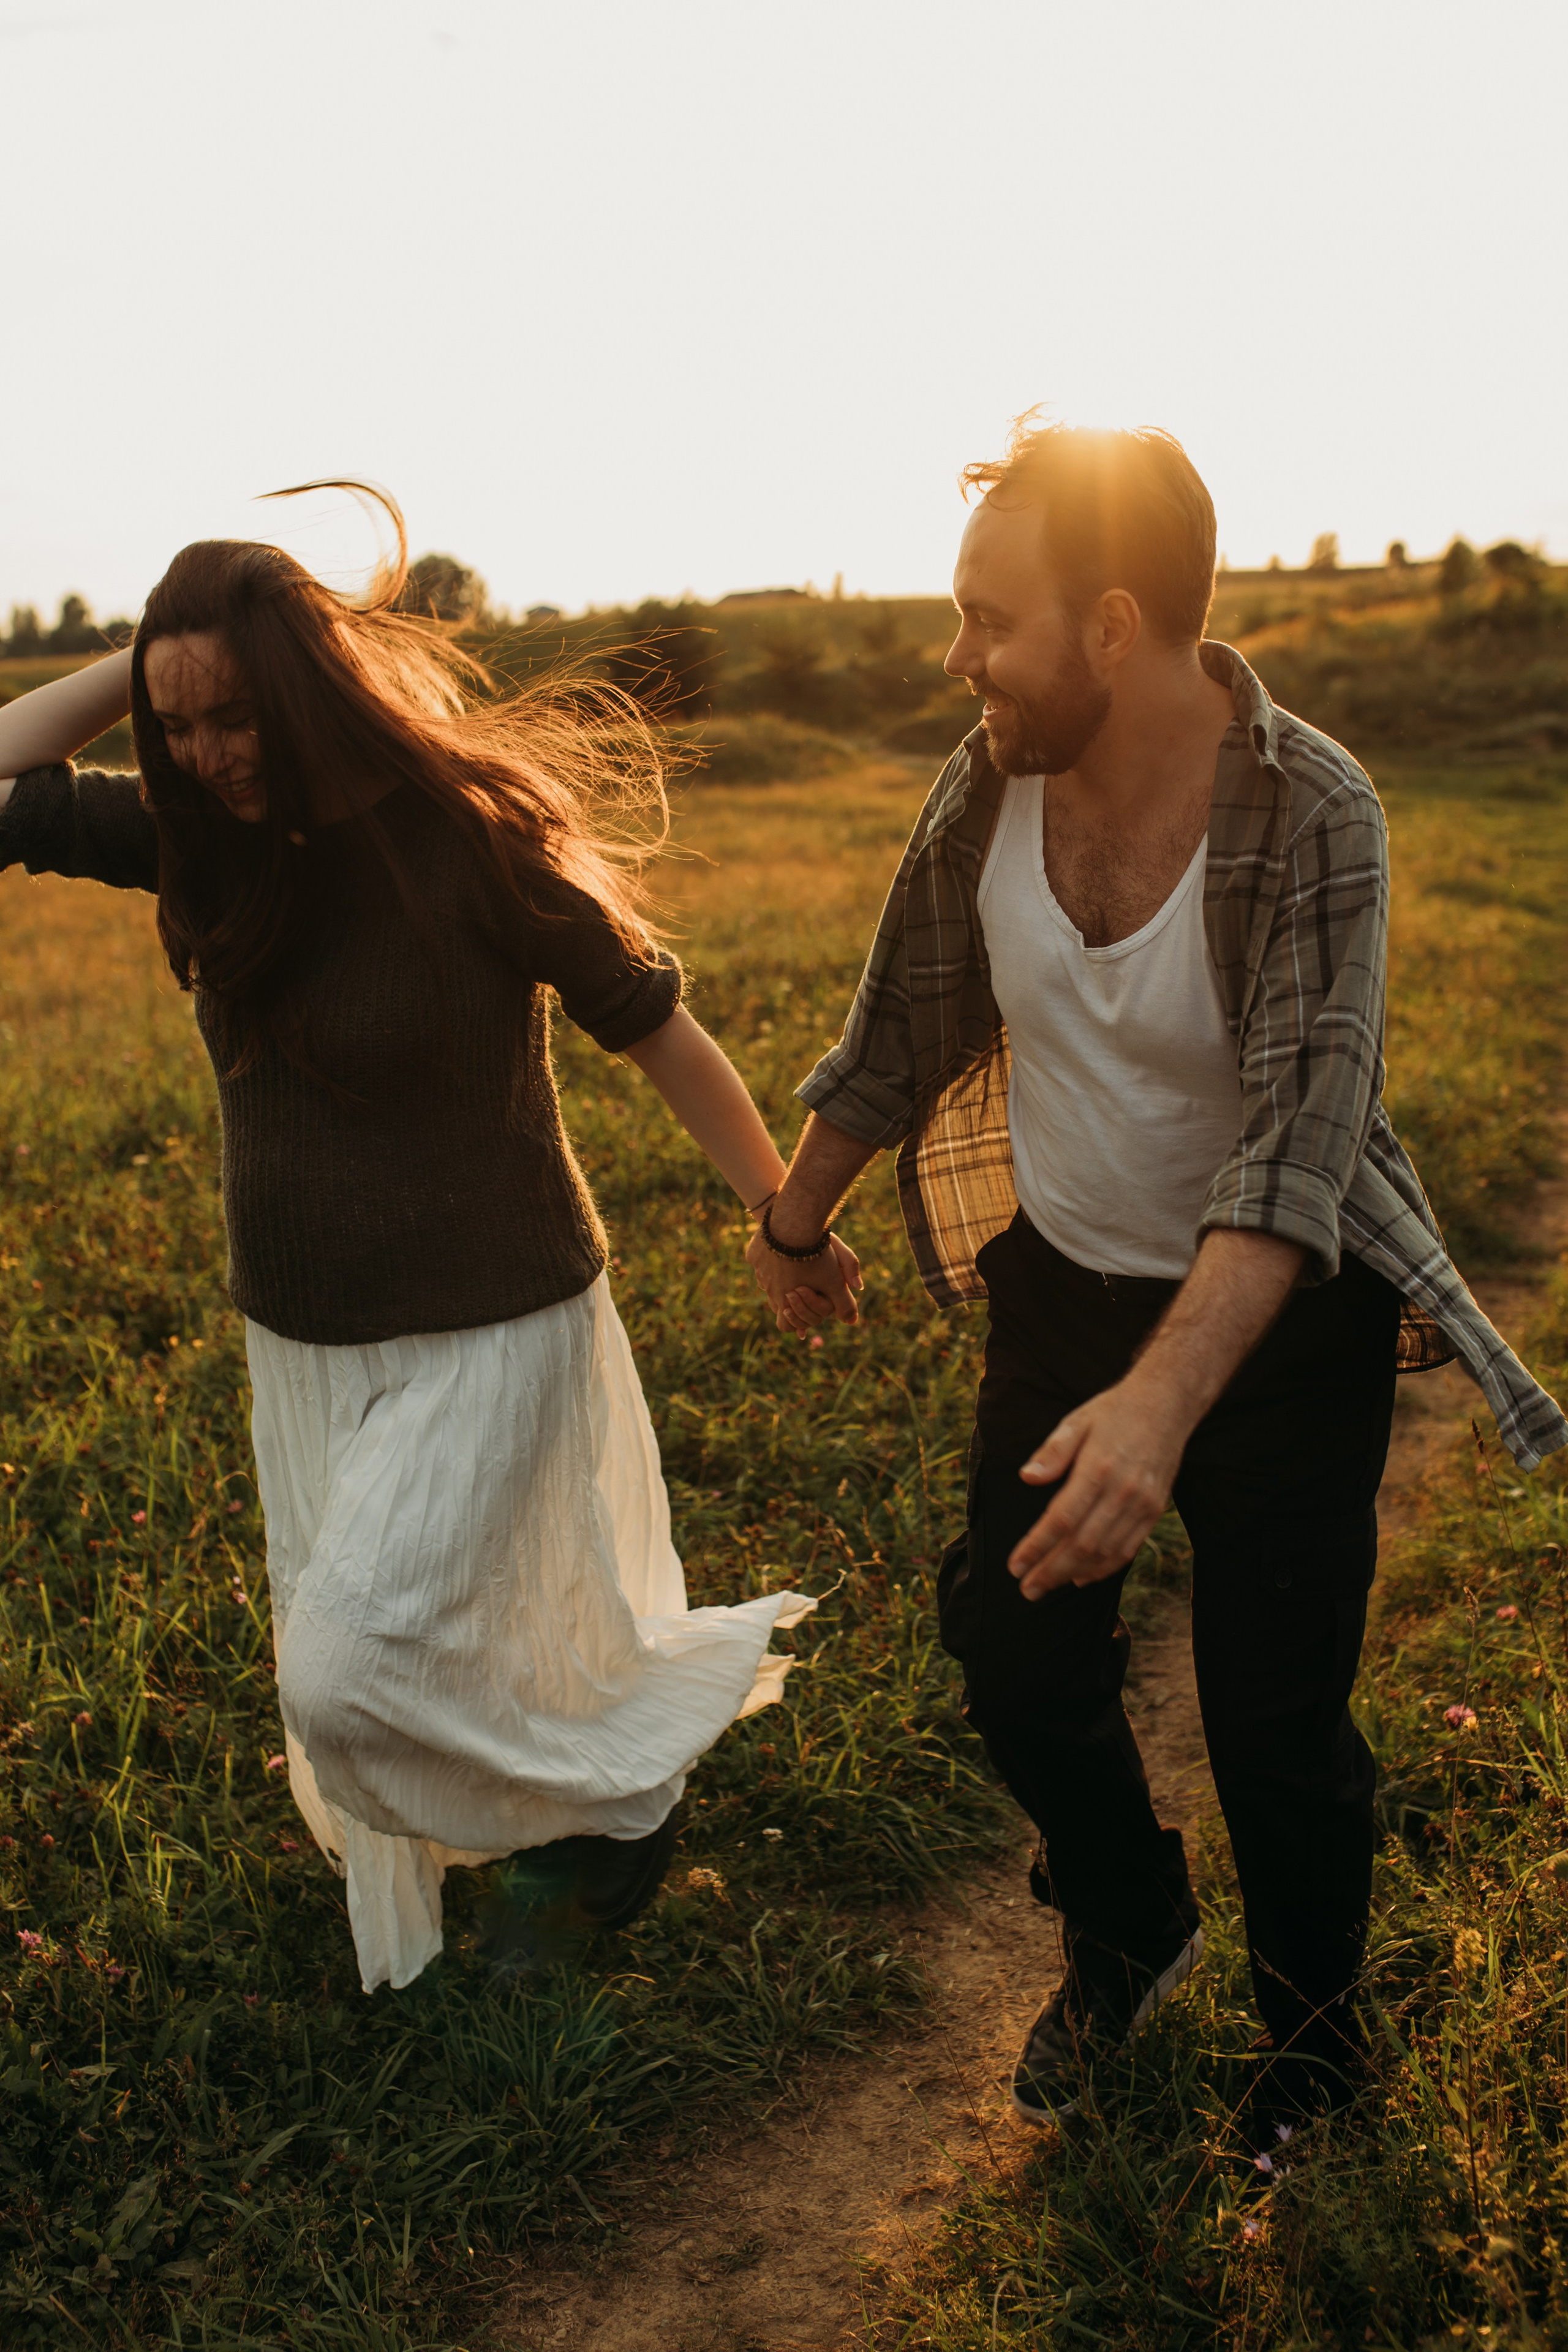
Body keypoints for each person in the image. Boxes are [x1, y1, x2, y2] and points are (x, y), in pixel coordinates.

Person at [745, 418, 1567, 2153]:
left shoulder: (1315, 809)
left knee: (1274, 1724)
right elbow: (900, 1020)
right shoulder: (989, 776)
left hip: (1280, 1332)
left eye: (987, 618)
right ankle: (1131, 1925)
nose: (955, 657)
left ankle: (1318, 2064)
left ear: (1113, 628)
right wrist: (796, 1222)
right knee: (1010, 1644)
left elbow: (1297, 1151)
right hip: (1063, 1294)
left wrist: (1162, 1407)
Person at [0, 486, 853, 1996]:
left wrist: (782, 1219)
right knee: (440, 1639)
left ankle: (611, 1810)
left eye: (235, 716)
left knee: (343, 1676)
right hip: (304, 1342)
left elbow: (656, 1030)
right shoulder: (193, 840)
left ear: (307, 690)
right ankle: (556, 1833)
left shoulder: (463, 842)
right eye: (174, 722)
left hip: (491, 1319)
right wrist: (146, 671)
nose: (205, 754)